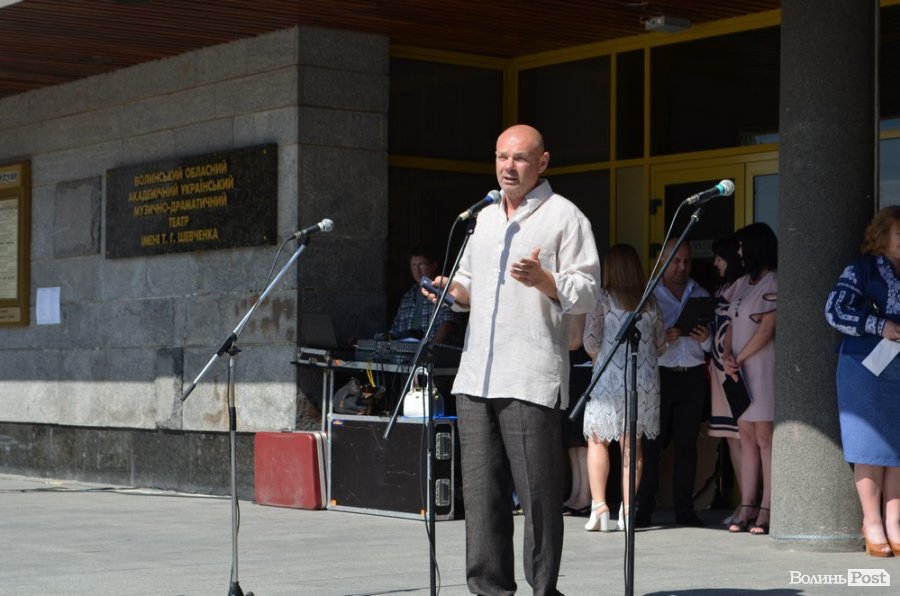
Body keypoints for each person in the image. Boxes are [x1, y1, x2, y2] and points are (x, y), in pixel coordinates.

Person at [425, 124, 600, 595]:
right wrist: (450, 291)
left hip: (529, 375)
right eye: (502, 157)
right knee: (482, 497)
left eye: (520, 158)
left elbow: (588, 290)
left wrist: (545, 280)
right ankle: (489, 589)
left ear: (542, 162)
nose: (508, 166)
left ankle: (543, 589)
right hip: (476, 375)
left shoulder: (565, 217)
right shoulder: (482, 217)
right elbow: (468, 283)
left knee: (538, 497)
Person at [825, 206, 900, 557]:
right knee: (869, 445)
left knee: (897, 448)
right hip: (864, 367)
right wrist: (879, 325)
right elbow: (834, 310)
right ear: (882, 236)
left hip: (898, 367)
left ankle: (894, 522)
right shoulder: (861, 269)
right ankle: (872, 523)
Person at [582, 244, 665, 532]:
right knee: (632, 446)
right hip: (644, 382)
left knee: (597, 440)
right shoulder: (650, 301)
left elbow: (590, 342)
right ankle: (628, 511)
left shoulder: (602, 298)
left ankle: (600, 507)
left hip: (609, 380)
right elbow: (661, 345)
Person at [636, 239, 711, 527]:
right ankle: (643, 508)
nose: (682, 266)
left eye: (687, 261)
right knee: (651, 445)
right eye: (675, 260)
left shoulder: (700, 293)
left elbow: (713, 346)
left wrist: (705, 339)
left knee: (687, 445)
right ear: (662, 261)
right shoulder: (649, 295)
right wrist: (663, 339)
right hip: (661, 375)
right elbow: (639, 342)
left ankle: (685, 509)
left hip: (692, 375)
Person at [723, 222, 777, 536]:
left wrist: (739, 358)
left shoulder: (774, 281)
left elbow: (768, 328)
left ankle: (767, 507)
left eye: (742, 246)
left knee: (765, 438)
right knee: (745, 436)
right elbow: (731, 322)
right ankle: (747, 505)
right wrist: (727, 354)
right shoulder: (742, 283)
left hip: (761, 366)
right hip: (738, 368)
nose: (739, 252)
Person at [707, 235, 746, 524]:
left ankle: (753, 503)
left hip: (738, 369)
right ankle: (745, 502)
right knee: (733, 439)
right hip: (719, 369)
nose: (715, 263)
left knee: (747, 438)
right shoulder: (722, 288)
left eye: (720, 258)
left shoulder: (745, 287)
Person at [388, 245, 457, 345]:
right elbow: (395, 331)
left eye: (421, 265)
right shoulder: (408, 297)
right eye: (413, 265)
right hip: (406, 352)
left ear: (434, 266)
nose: (417, 271)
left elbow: (447, 324)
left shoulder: (444, 292)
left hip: (433, 352)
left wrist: (428, 351)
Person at [562, 313, 592, 517]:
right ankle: (576, 492)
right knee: (572, 440)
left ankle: (585, 496)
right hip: (570, 369)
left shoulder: (580, 302)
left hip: (583, 371)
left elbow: (574, 341)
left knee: (581, 440)